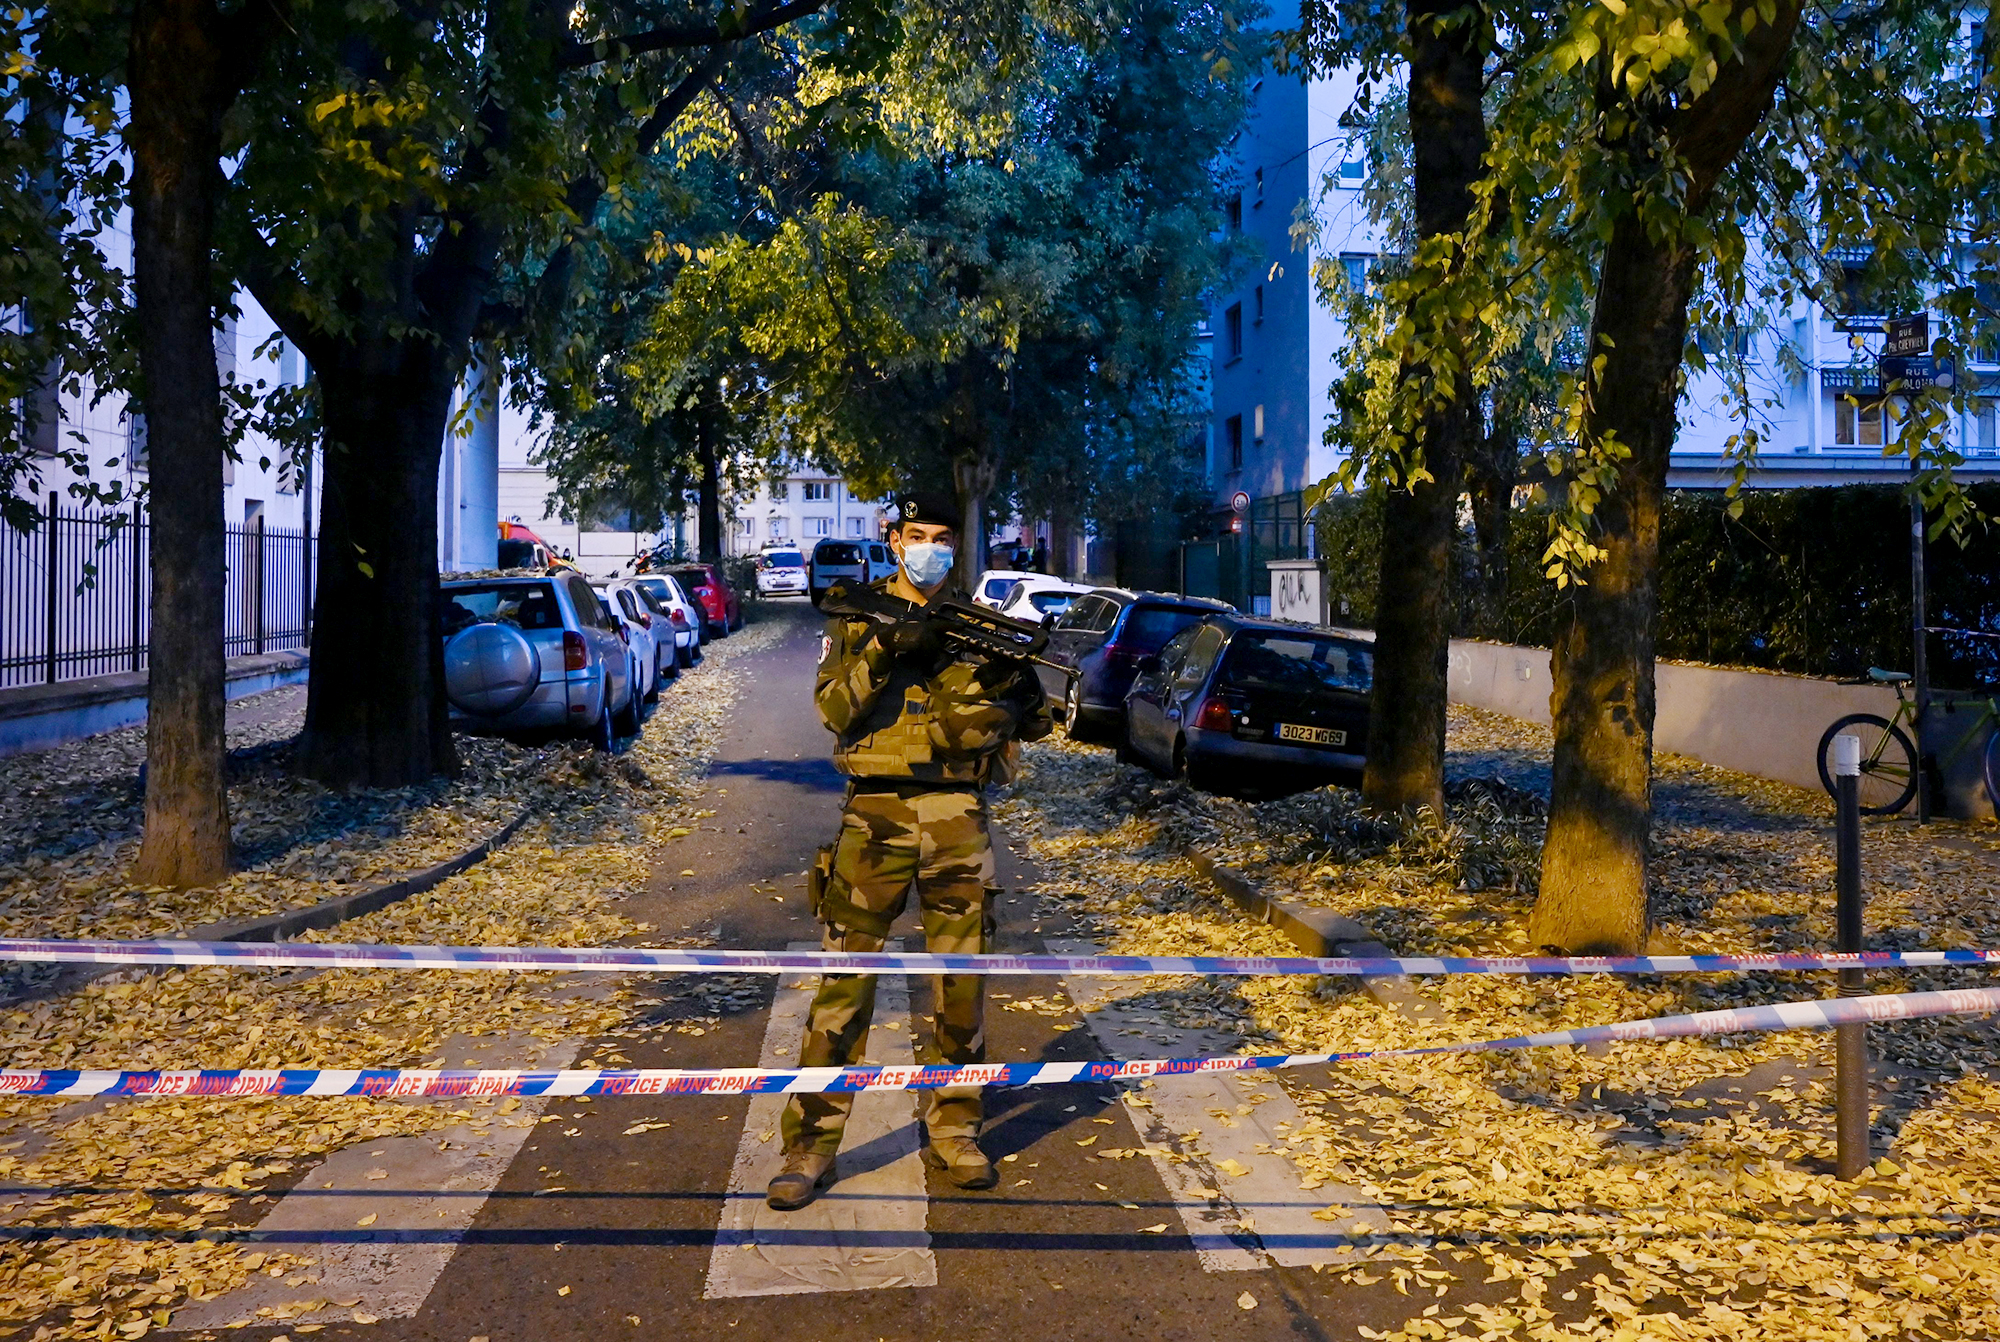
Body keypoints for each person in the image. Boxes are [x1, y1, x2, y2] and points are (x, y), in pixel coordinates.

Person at [766, 491, 1053, 1210]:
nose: (929, 548)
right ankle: (809, 1146)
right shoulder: (861, 617)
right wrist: (888, 652)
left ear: (957, 545)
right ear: (894, 541)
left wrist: (1014, 686)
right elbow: (833, 710)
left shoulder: (980, 624)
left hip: (957, 814)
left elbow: (1039, 722)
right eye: (917, 535)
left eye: (942, 537)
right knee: (845, 984)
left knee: (961, 985)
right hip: (875, 815)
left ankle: (956, 1131)